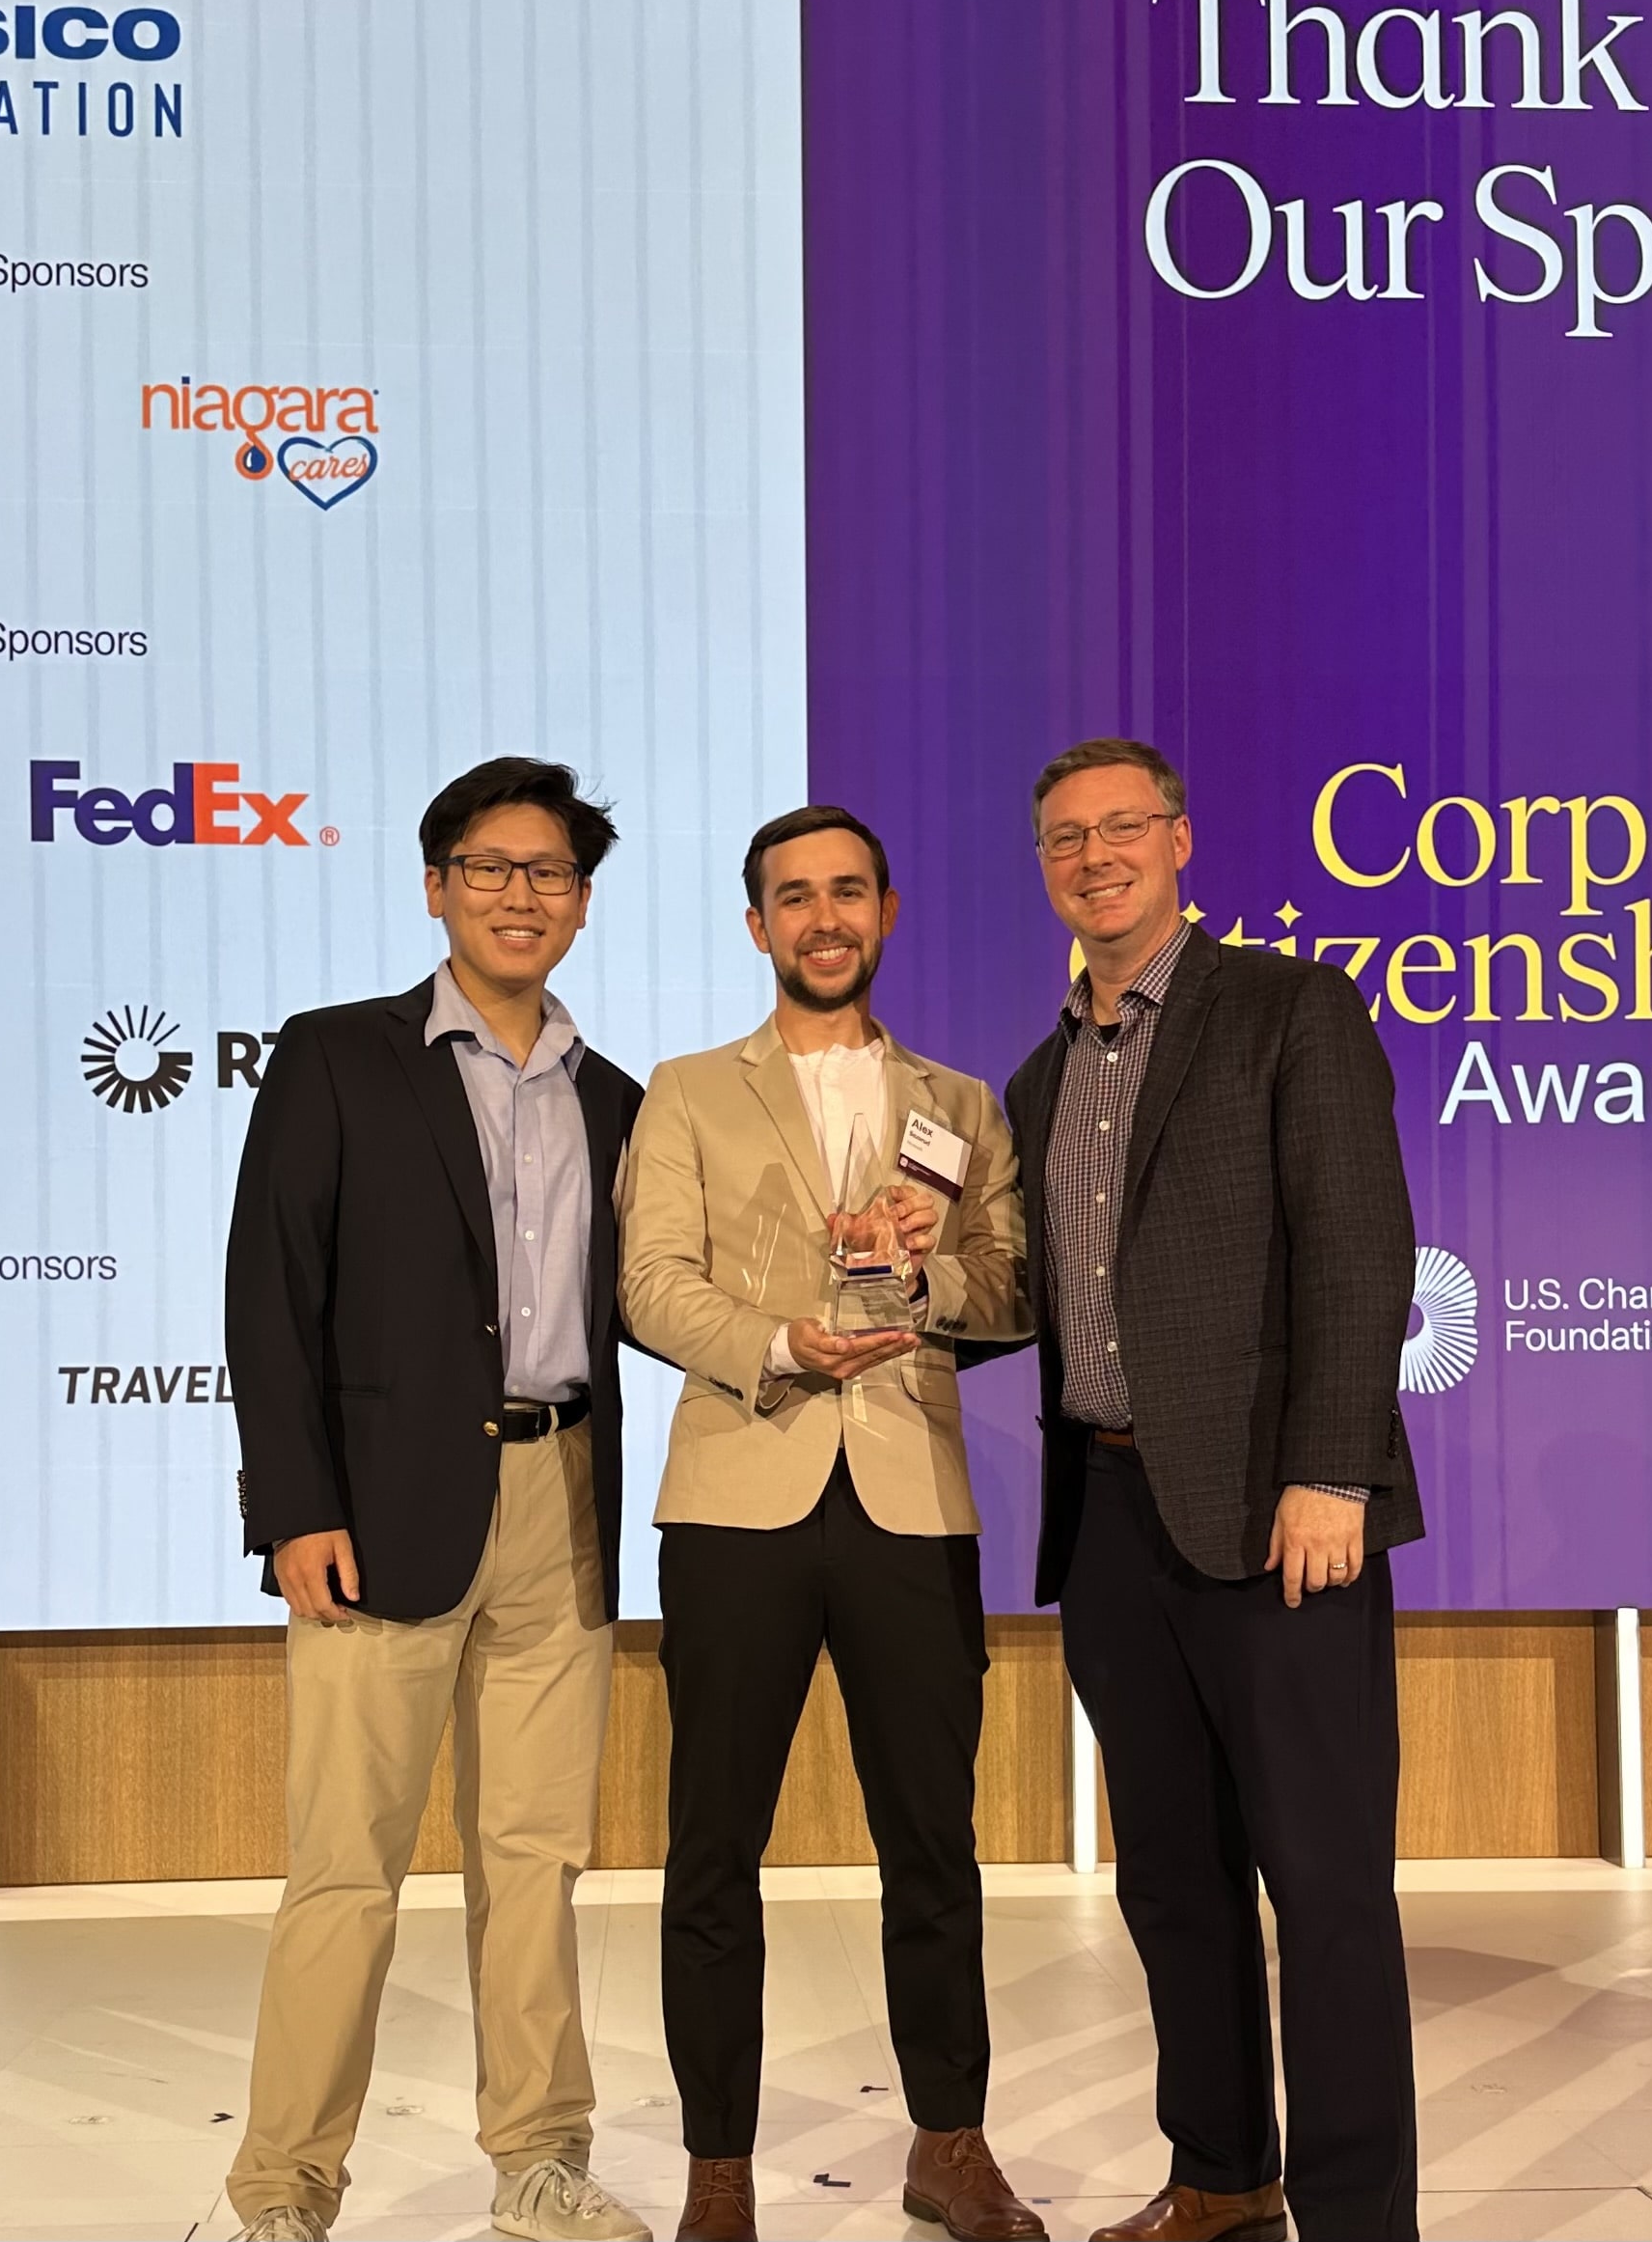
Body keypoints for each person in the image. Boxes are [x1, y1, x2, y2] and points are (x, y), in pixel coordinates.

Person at [223, 757, 650, 2242]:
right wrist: (293, 1506)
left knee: (535, 1862)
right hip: (380, 1509)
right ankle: (283, 2185)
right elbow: (271, 1296)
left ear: (582, 905)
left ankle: (539, 2160)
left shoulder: (617, 1097)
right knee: (346, 1863)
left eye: (548, 873)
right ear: (435, 885)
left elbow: (660, 1296)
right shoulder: (339, 1055)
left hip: (563, 1501)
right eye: (490, 866)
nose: (518, 894)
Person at [1004, 738, 1423, 2242]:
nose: (1094, 854)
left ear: (1179, 839)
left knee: (1322, 1888)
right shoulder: (1038, 1072)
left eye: (1122, 826)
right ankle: (1222, 2177)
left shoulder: (1286, 1008)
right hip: (1111, 1520)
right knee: (1172, 1884)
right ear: (1041, 862)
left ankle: (1361, 2219)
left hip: (1275, 1512)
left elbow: (1360, 1246)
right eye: (1065, 835)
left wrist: (1328, 1469)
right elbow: (1033, 1295)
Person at [619, 804, 1046, 2242]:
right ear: (756, 926)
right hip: (740, 1491)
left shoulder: (960, 1102)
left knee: (933, 1840)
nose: (821, 917)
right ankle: (718, 2168)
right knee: (711, 1845)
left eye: (846, 891)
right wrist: (783, 1341)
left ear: (887, 910)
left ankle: (950, 2141)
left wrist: (924, 1292)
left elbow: (1010, 1287)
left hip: (910, 1499)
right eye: (792, 896)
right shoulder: (684, 1090)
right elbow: (650, 1285)